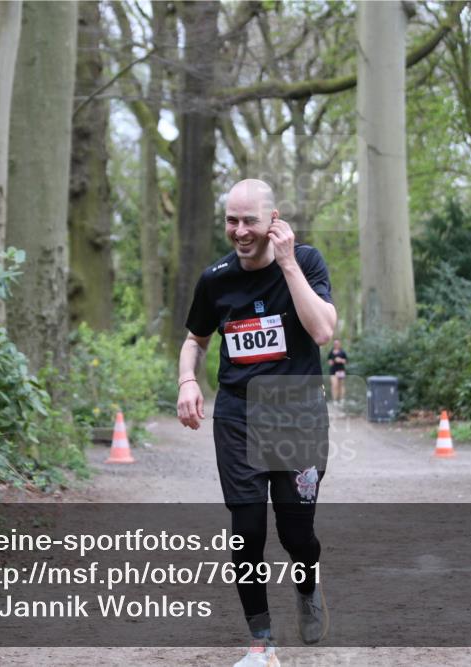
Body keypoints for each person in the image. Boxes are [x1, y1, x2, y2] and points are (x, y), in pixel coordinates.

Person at [177, 179, 336, 667]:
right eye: (232, 220)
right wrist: (187, 380)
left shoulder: (306, 263)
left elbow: (324, 331)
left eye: (250, 220)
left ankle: (307, 584)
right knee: (245, 530)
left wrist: (287, 265)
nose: (240, 230)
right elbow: (195, 340)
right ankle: (261, 644)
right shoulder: (216, 279)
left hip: (296, 413)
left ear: (274, 219)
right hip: (239, 415)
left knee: (296, 536)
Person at [327, 339, 348, 404]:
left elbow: (346, 361)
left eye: (337, 343)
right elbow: (329, 361)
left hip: (341, 370)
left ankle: (341, 399)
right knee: (334, 385)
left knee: (341, 385)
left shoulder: (342, 352)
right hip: (333, 371)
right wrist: (331, 362)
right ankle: (334, 400)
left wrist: (340, 360)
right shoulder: (331, 352)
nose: (336, 344)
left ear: (339, 344)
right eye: (335, 343)